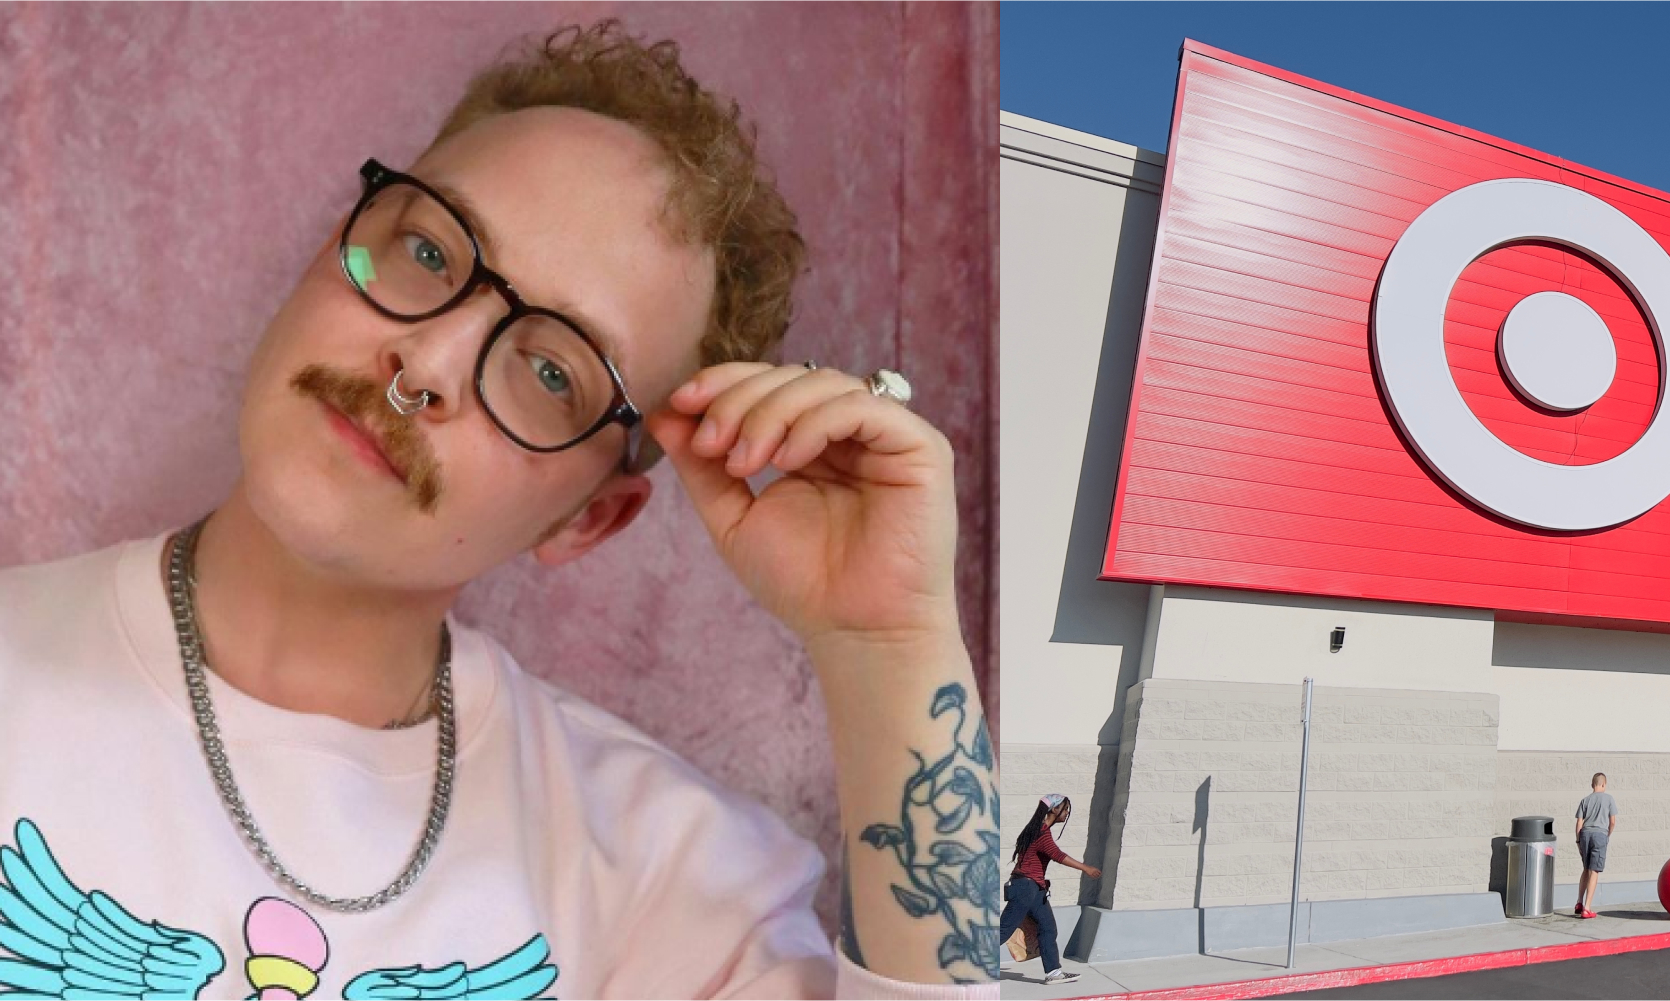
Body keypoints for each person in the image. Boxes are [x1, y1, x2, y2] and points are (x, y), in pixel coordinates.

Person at [0, 21, 997, 1000]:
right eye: (428, 252)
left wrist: (888, 645)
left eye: (551, 370)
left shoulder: (668, 884)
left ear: (587, 519)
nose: (422, 365)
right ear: (332, 244)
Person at [997, 795, 1099, 985]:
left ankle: (1053, 973)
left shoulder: (1038, 830)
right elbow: (1058, 855)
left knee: (1048, 928)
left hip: (1035, 890)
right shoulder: (1041, 832)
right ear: (1053, 809)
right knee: (1003, 930)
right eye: (1065, 809)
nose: (1067, 813)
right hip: (1025, 888)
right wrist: (1086, 868)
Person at [1574, 772, 1618, 918]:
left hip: (1585, 834)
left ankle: (1579, 902)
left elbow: (1579, 822)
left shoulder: (1585, 800)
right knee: (1594, 871)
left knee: (1586, 869)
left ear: (1592, 785)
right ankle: (1587, 908)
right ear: (1604, 784)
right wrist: (1607, 835)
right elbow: (1612, 821)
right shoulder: (1609, 799)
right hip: (1600, 835)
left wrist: (1578, 840)